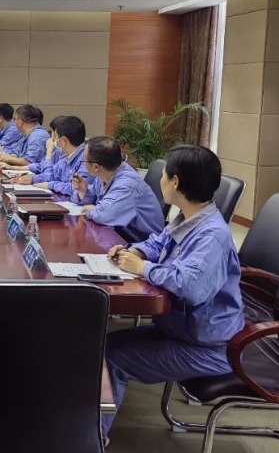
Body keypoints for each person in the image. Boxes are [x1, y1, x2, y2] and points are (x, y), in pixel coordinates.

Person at [102, 145, 244, 435]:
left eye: (164, 175)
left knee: (111, 359)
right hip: (182, 331)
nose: (161, 181)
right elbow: (158, 242)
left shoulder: (212, 235)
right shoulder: (189, 218)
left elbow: (190, 287)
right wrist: (135, 251)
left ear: (176, 182)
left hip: (208, 348)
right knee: (101, 347)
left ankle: (95, 439)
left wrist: (143, 268)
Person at [71, 136, 164, 242]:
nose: (83, 163)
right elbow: (93, 197)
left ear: (96, 167)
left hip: (142, 243)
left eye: (84, 161)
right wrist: (84, 191)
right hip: (119, 234)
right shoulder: (106, 174)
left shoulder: (127, 184)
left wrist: (93, 210)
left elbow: (104, 215)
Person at [10, 116, 89, 195]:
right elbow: (53, 175)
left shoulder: (86, 159)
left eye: (55, 136)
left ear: (63, 141)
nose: (53, 140)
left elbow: (77, 189)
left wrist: (50, 185)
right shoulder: (67, 157)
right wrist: (33, 179)